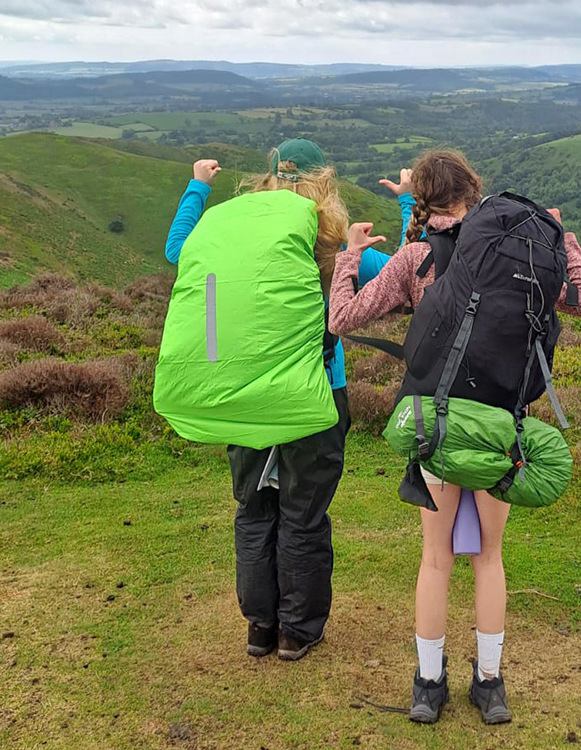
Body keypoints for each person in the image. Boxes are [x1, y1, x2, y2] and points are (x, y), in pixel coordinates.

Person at [328, 150, 581, 723]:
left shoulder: (415, 259)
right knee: (489, 558)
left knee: (436, 560)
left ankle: (428, 687)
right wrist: (565, 240)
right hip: (503, 429)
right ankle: (490, 685)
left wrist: (350, 255)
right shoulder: (521, 257)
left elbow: (342, 319)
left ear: (423, 201)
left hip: (438, 427)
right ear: (475, 194)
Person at [164, 139, 391, 662]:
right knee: (303, 513)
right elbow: (410, 271)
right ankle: (297, 631)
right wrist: (406, 207)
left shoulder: (234, 232)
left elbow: (179, 251)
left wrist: (198, 186)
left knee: (254, 508)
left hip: (242, 394)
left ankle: (260, 626)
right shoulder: (330, 239)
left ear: (267, 178)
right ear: (324, 182)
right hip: (314, 395)